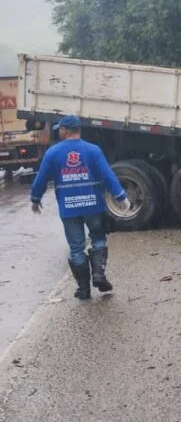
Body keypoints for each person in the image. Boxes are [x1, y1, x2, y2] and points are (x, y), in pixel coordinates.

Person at [30, 115, 131, 300]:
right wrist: (120, 196)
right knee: (98, 238)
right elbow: (107, 175)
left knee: (76, 248)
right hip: (92, 204)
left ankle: (83, 289)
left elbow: (41, 178)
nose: (58, 132)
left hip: (69, 208)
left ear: (66, 130)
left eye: (59, 129)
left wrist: (35, 199)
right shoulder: (93, 150)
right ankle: (99, 275)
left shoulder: (53, 153)